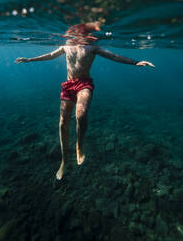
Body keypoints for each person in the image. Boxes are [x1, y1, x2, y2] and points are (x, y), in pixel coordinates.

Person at [14, 22, 155, 180]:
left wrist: (135, 62)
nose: (76, 36)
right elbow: (50, 55)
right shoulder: (65, 46)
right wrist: (30, 59)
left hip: (84, 84)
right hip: (68, 85)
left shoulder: (93, 47)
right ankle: (64, 160)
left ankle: (79, 146)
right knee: (62, 122)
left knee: (80, 115)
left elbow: (114, 56)